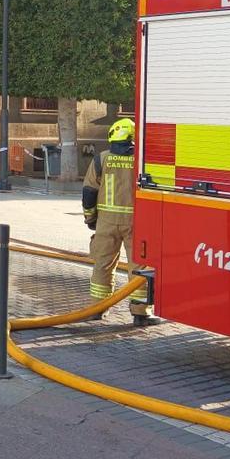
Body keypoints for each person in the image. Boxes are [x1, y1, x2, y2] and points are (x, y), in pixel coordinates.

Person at [82, 118, 158, 327]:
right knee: (140, 266)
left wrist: (90, 218)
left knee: (102, 265)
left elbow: (89, 192)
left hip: (106, 222)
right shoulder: (142, 160)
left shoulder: (101, 159)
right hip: (137, 222)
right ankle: (141, 313)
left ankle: (97, 309)